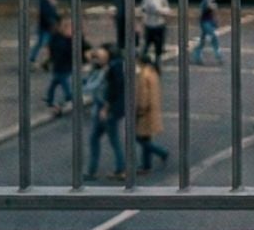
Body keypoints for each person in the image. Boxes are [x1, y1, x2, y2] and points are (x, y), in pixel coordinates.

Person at [83, 45, 128, 182]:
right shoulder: (112, 67)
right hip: (106, 107)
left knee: (111, 139)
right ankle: (94, 170)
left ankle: (120, 169)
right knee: (98, 138)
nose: (98, 58)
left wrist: (106, 108)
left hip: (107, 108)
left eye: (101, 55)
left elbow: (110, 90)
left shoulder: (111, 69)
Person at [134, 56, 169, 174]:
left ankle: (161, 152)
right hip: (152, 110)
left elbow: (143, 94)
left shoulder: (144, 75)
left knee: (139, 137)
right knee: (146, 137)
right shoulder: (153, 72)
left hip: (145, 111)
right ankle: (146, 165)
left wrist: (140, 108)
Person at [44, 21, 77, 114]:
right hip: (62, 65)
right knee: (63, 82)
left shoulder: (62, 38)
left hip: (62, 65)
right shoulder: (62, 40)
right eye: (70, 30)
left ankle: (50, 99)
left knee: (55, 82)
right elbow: (61, 52)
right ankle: (69, 97)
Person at [137, 0, 171, 64]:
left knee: (159, 45)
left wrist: (163, 11)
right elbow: (143, 8)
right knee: (146, 44)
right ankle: (141, 60)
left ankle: (157, 61)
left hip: (159, 25)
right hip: (150, 25)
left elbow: (167, 9)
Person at [29, 0, 61, 66]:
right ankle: (32, 59)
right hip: (45, 25)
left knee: (50, 44)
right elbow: (45, 12)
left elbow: (54, 11)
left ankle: (49, 61)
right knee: (41, 43)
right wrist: (52, 21)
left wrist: (58, 18)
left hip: (52, 25)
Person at [191, 0, 222, 64]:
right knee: (213, 37)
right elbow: (207, 7)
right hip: (205, 21)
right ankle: (218, 54)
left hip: (208, 20)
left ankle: (197, 55)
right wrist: (213, 6)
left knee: (203, 40)